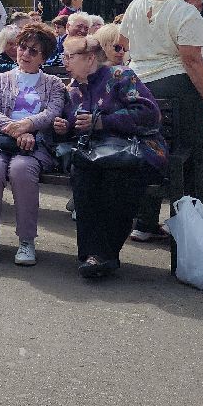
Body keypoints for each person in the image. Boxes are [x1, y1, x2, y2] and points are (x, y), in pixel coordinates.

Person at [120, 0, 203, 241]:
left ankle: (144, 222)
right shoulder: (187, 13)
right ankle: (189, 224)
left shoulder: (139, 1)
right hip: (178, 87)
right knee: (196, 153)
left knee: (149, 148)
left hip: (139, 86)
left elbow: (123, 42)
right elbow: (191, 60)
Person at [55, 34, 163, 278]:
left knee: (117, 177)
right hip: (94, 154)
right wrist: (64, 126)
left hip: (134, 149)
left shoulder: (120, 76)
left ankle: (103, 255)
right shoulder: (73, 89)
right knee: (81, 173)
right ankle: (91, 254)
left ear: (90, 58)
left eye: (69, 56)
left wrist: (104, 122)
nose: (65, 62)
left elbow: (149, 114)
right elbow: (73, 123)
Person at [0, 23, 66, 266]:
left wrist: (26, 126)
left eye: (33, 51)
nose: (24, 54)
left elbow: (52, 113)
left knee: (21, 170)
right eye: (22, 47)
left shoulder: (54, 84)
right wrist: (17, 132)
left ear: (44, 56)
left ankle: (26, 241)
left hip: (37, 143)